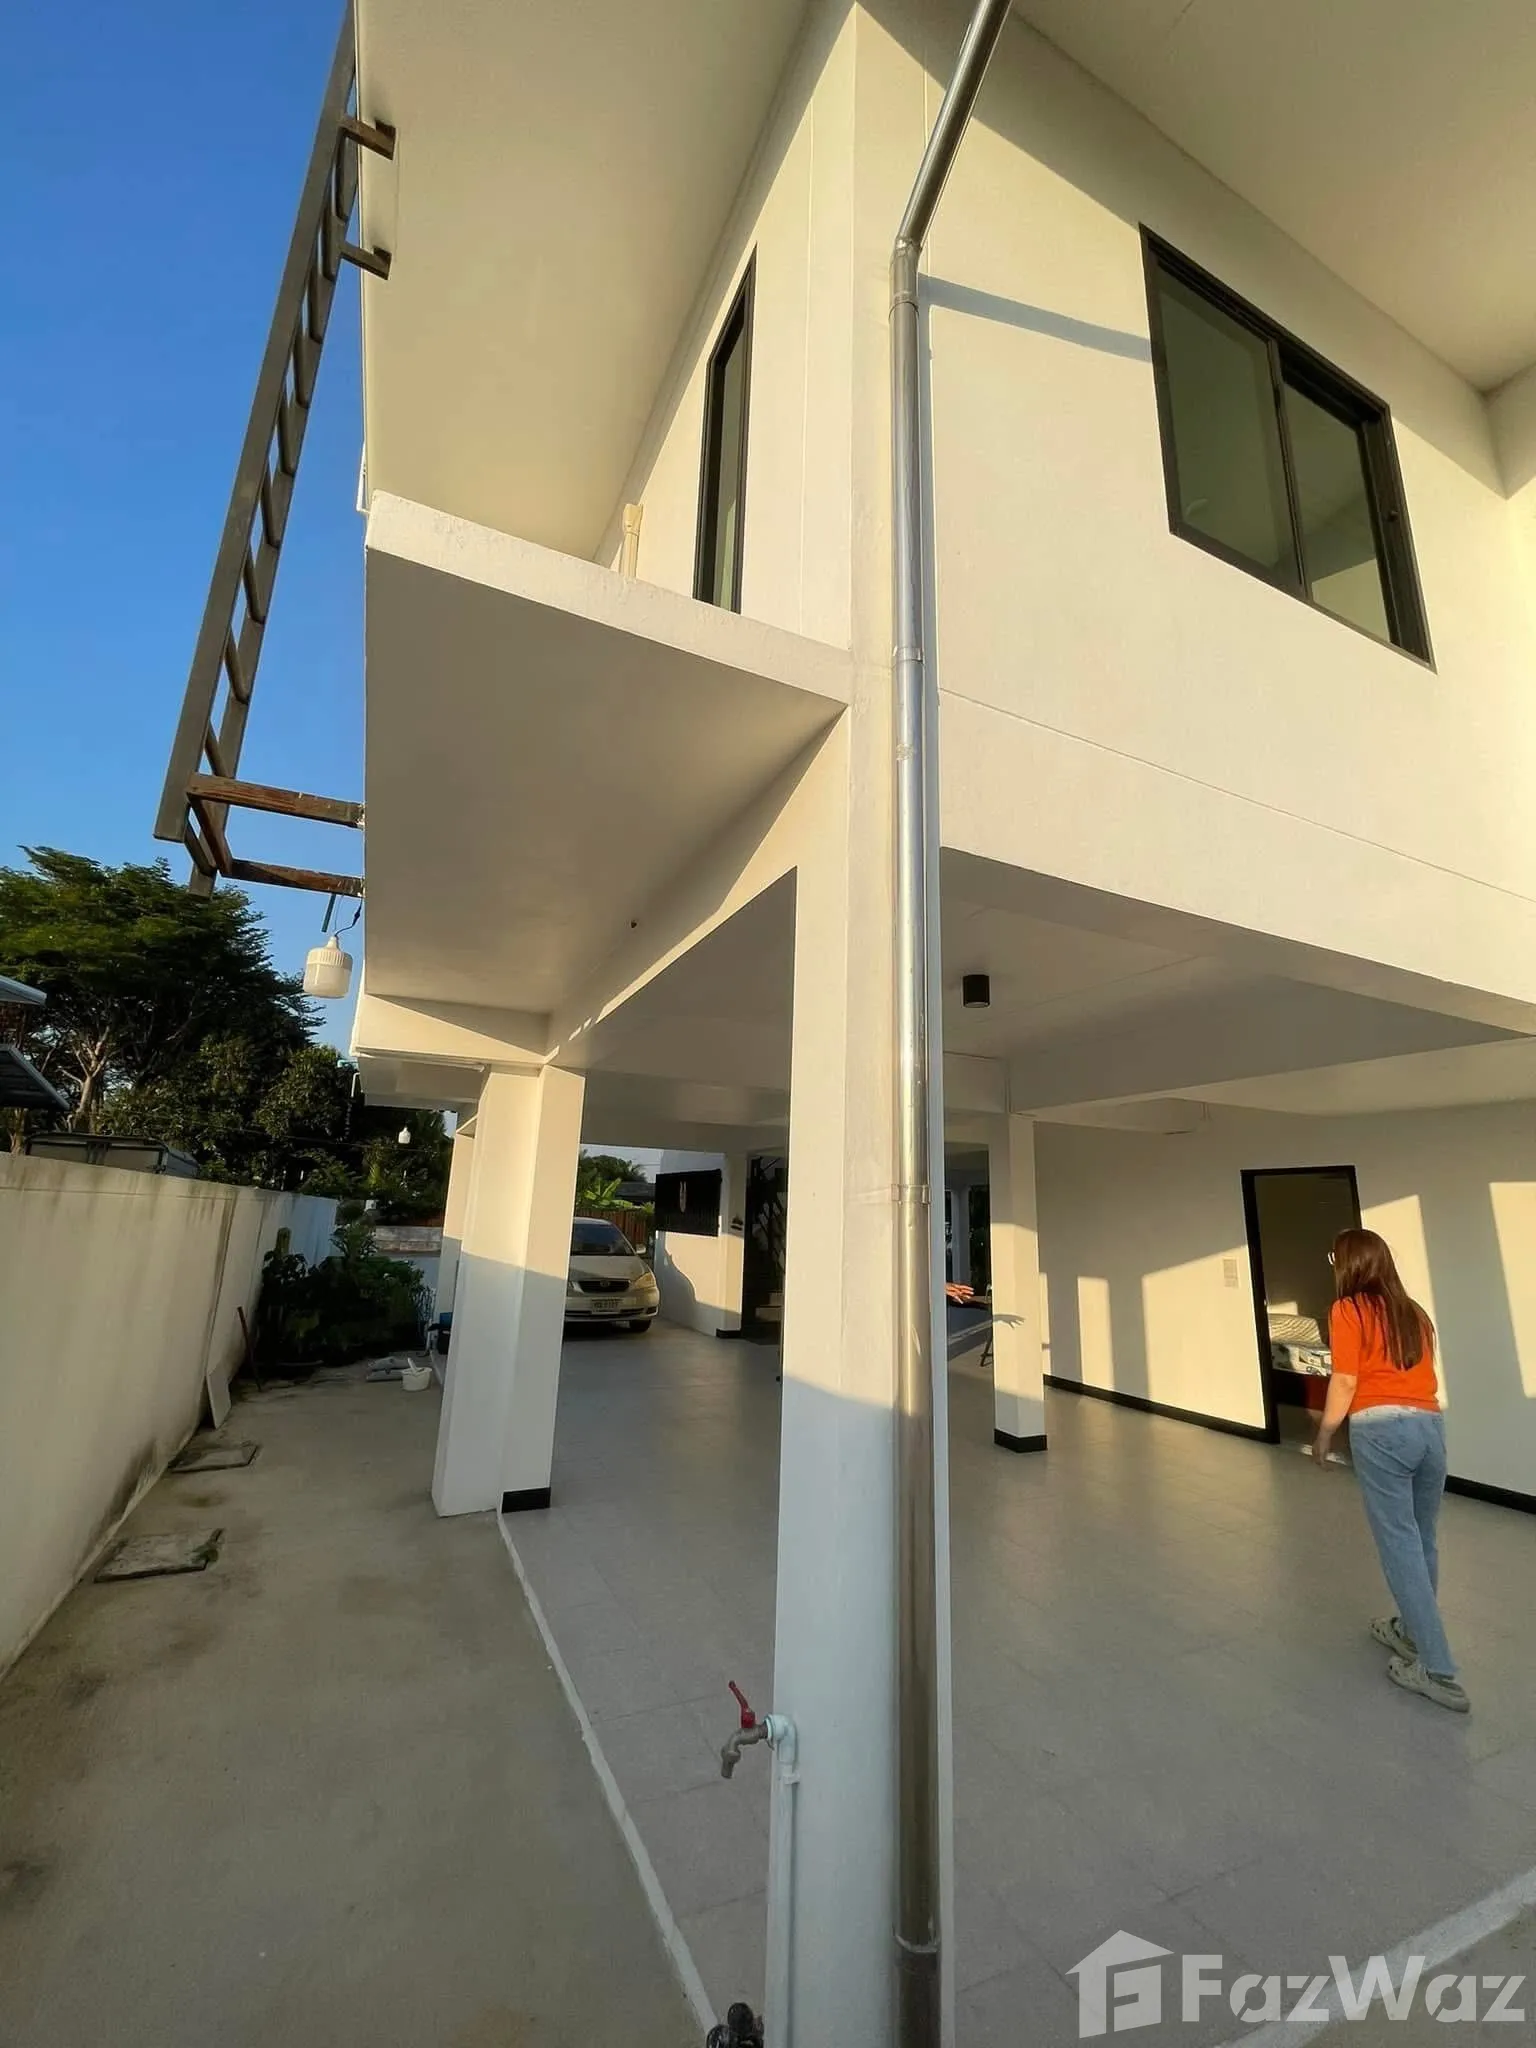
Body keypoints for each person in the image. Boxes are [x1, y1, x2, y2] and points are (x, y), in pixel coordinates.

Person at [1313, 1228, 1467, 1713]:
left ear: (1349, 1263)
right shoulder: (1414, 1312)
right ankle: (1410, 1630)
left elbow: (1346, 1379)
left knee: (1399, 1544)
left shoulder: (1348, 1309)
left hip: (1382, 1431)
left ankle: (1437, 1670)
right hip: (1429, 1428)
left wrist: (1325, 1433)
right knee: (1422, 1539)